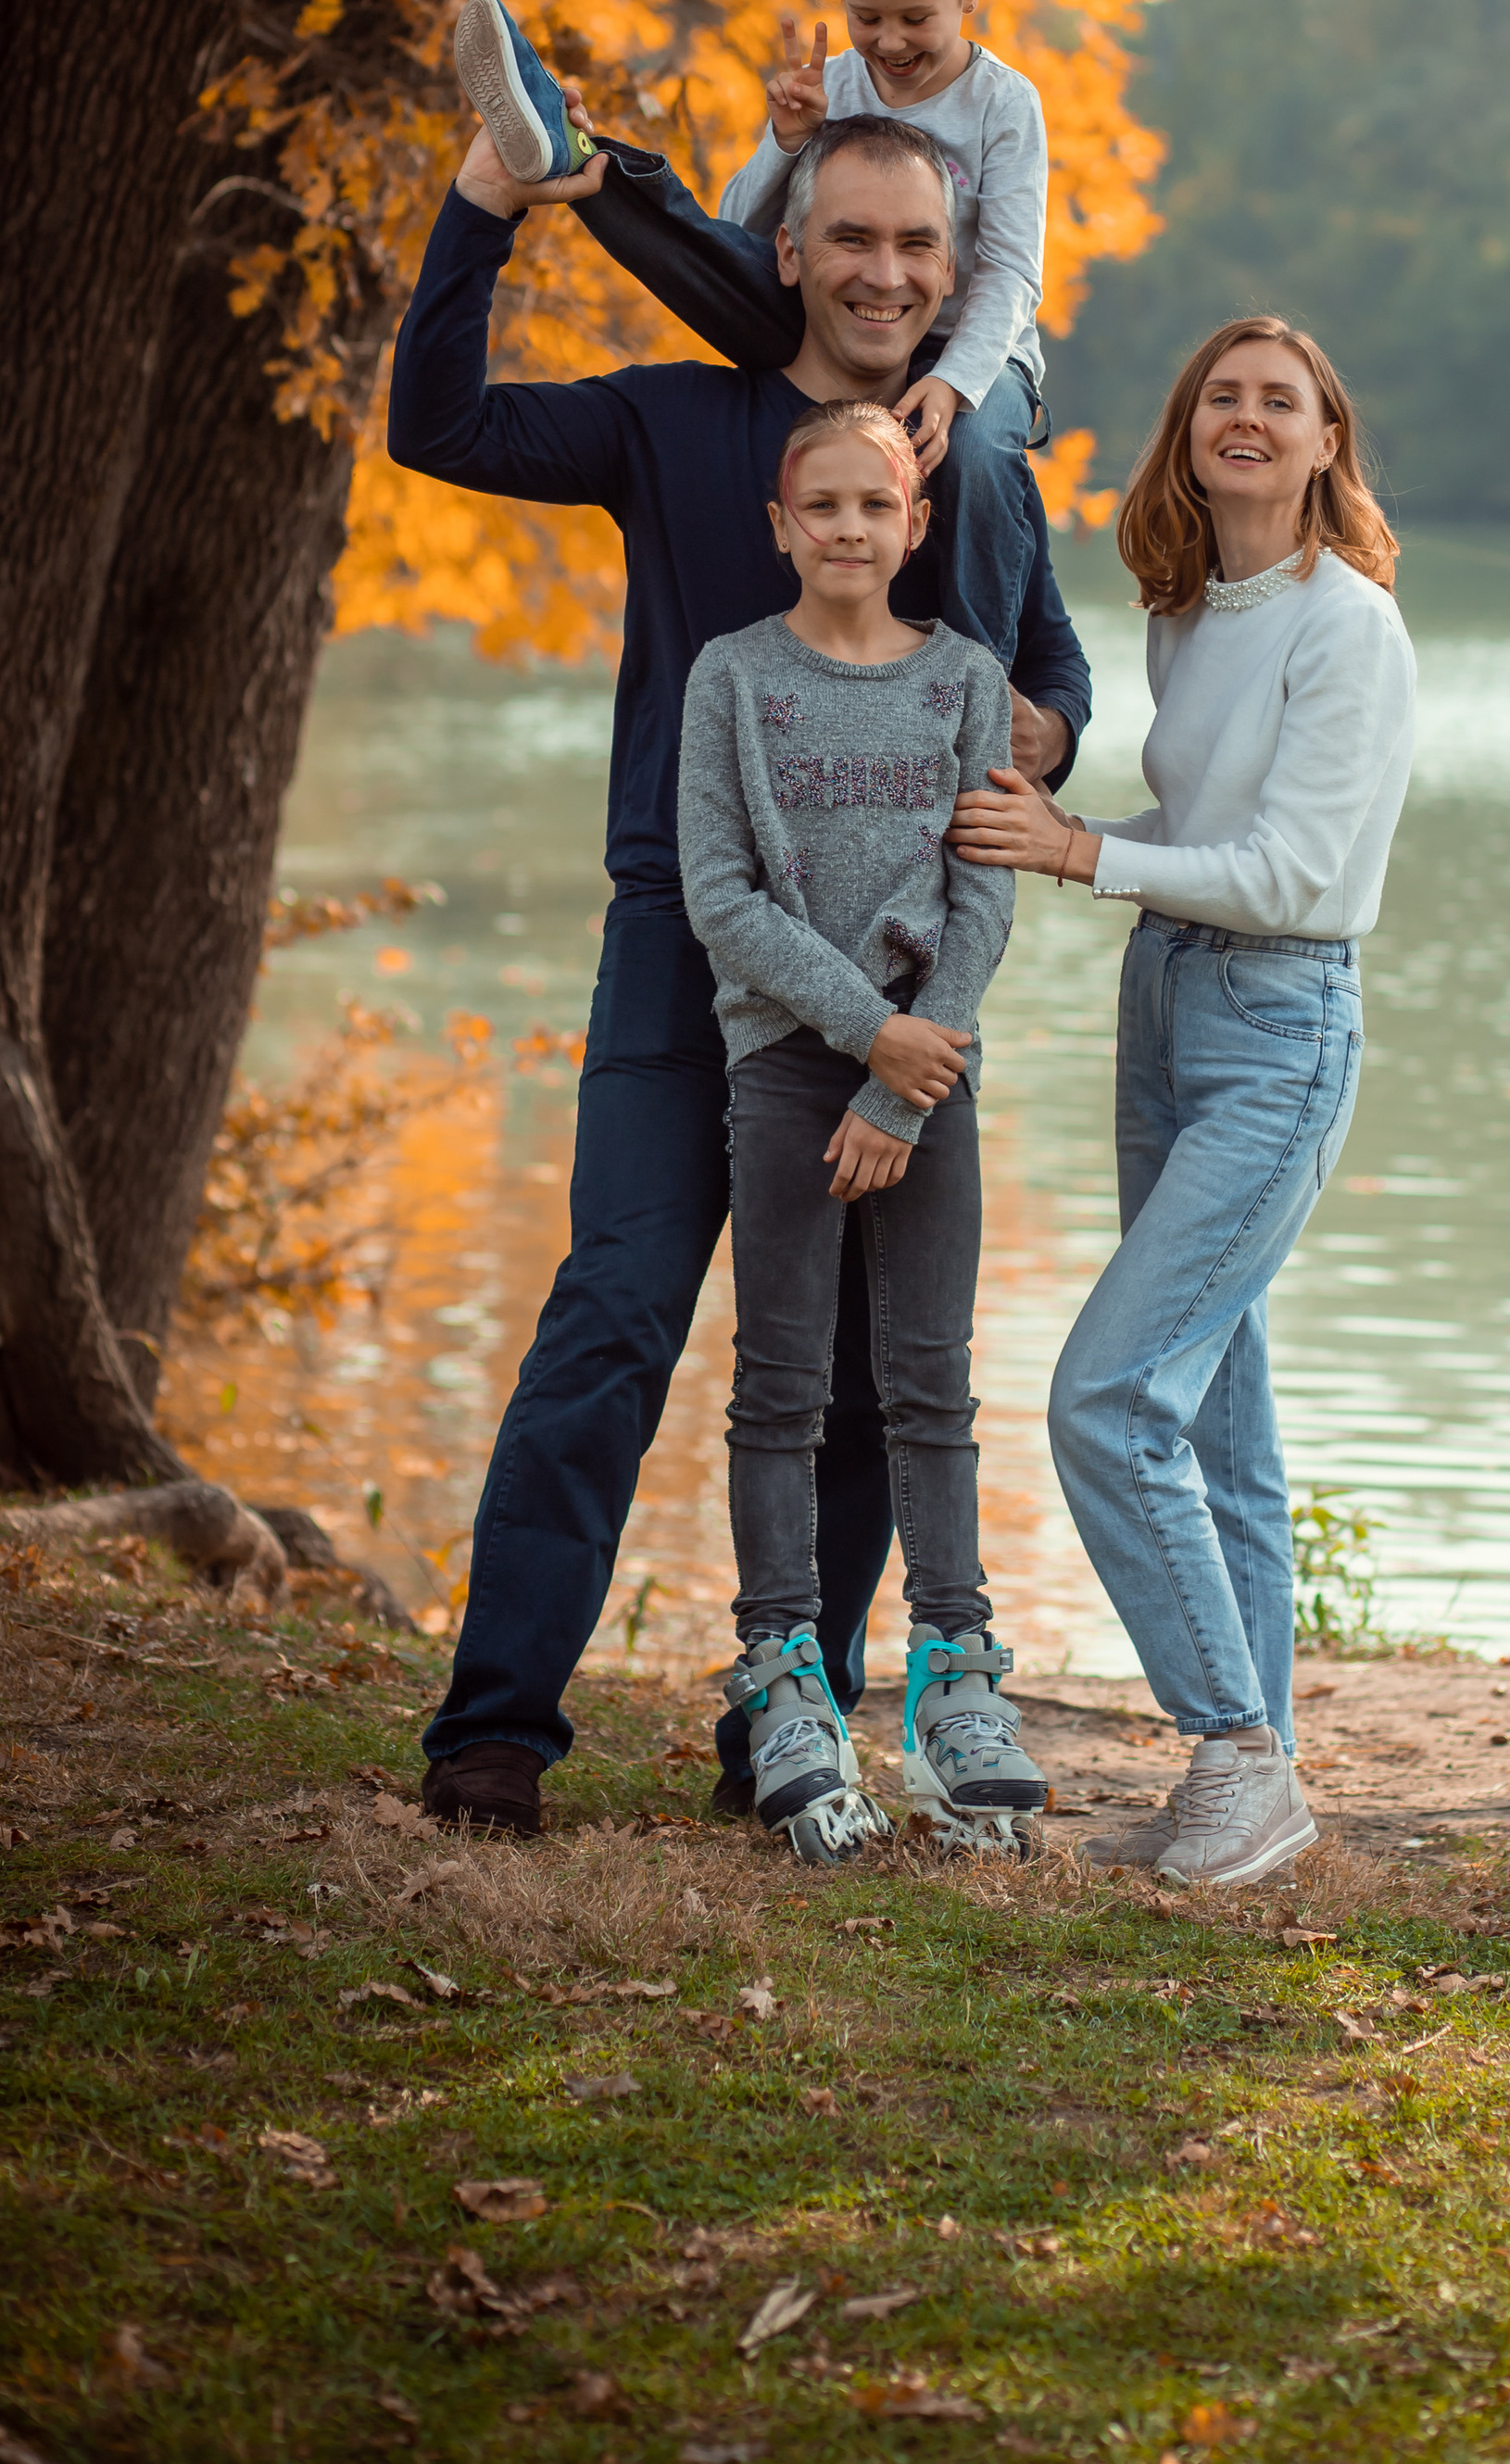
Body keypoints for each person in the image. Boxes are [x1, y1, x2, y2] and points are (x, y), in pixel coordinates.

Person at [389, 104, 1090, 1837]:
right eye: (851, 238)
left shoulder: (965, 465)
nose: (884, 272)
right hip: (681, 949)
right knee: (615, 1317)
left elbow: (1059, 685)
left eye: (919, 247)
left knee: (860, 1369)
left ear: (955, 272)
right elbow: (440, 423)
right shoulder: (673, 419)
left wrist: (1040, 736)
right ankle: (495, 1728)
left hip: (885, 990)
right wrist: (484, 209)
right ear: (786, 247)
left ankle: (786, 1720)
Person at [950, 316, 1416, 1891]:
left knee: (1107, 1394)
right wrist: (1069, 819)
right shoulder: (1190, 612)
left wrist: (1082, 857)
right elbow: (1206, 821)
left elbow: (1296, 875)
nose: (1248, 416)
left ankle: (1230, 1747)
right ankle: (1261, 1777)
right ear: (1189, 430)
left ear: (1324, 444)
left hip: (1278, 1031)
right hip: (1167, 1001)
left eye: (1281, 400)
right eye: (1223, 394)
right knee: (1222, 1420)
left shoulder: (1349, 630)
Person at [677, 395, 1047, 1864]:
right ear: (781, 525)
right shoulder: (731, 679)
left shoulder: (963, 680)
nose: (846, 528)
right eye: (819, 506)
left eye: (873, 506)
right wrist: (857, 1040)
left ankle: (955, 1677)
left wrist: (906, 1080)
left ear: (914, 524)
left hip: (933, 1076)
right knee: (777, 1388)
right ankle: (785, 1678)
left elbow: (985, 891)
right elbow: (721, 895)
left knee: (927, 1387)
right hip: (783, 1067)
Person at [451, 0, 1051, 667]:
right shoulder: (834, 82)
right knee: (713, 252)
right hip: (843, 323)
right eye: (865, 16)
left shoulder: (1004, 105)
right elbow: (734, 233)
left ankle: (980, 674)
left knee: (981, 460)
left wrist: (954, 385)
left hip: (976, 351)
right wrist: (786, 139)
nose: (889, 42)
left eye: (917, 18)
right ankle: (572, 150)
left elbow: (1013, 272)